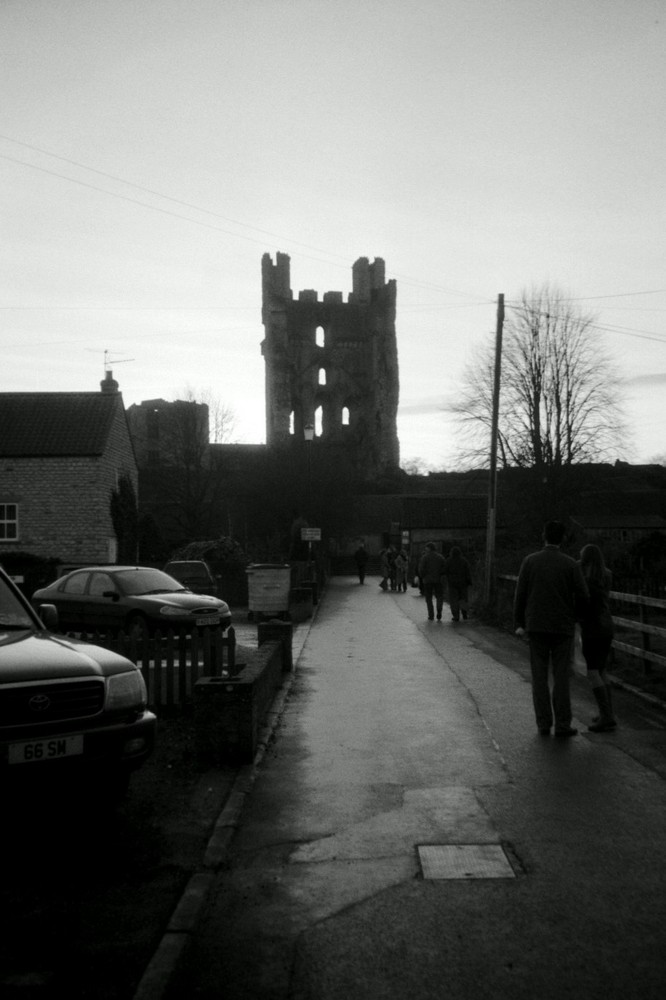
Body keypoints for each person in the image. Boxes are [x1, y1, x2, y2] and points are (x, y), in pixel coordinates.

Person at [514, 520, 589, 737]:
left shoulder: (530, 561)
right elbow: (584, 596)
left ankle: (543, 723)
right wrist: (575, 616)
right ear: (562, 538)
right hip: (562, 627)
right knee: (561, 677)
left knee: (539, 677)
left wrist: (519, 623)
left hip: (536, 625)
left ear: (543, 536)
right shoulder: (570, 565)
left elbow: (521, 595)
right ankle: (563, 724)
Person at [579, 544, 617, 732]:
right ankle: (608, 713)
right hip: (606, 624)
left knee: (592, 671)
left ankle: (606, 716)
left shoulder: (586, 580)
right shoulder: (606, 575)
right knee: (602, 670)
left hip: (592, 627)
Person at [418, 542, 446, 621]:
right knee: (439, 597)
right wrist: (440, 574)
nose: (425, 549)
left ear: (429, 548)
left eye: (426, 548)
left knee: (428, 598)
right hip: (438, 580)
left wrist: (422, 576)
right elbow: (444, 567)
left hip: (427, 581)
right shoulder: (440, 557)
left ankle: (431, 615)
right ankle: (439, 610)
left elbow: (421, 569)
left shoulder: (425, 557)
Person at [444, 546, 473, 621]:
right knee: (463, 599)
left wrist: (447, 579)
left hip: (452, 583)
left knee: (454, 600)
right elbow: (468, 572)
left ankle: (456, 616)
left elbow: (445, 571)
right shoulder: (464, 561)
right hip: (463, 583)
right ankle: (464, 614)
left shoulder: (448, 561)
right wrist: (469, 581)